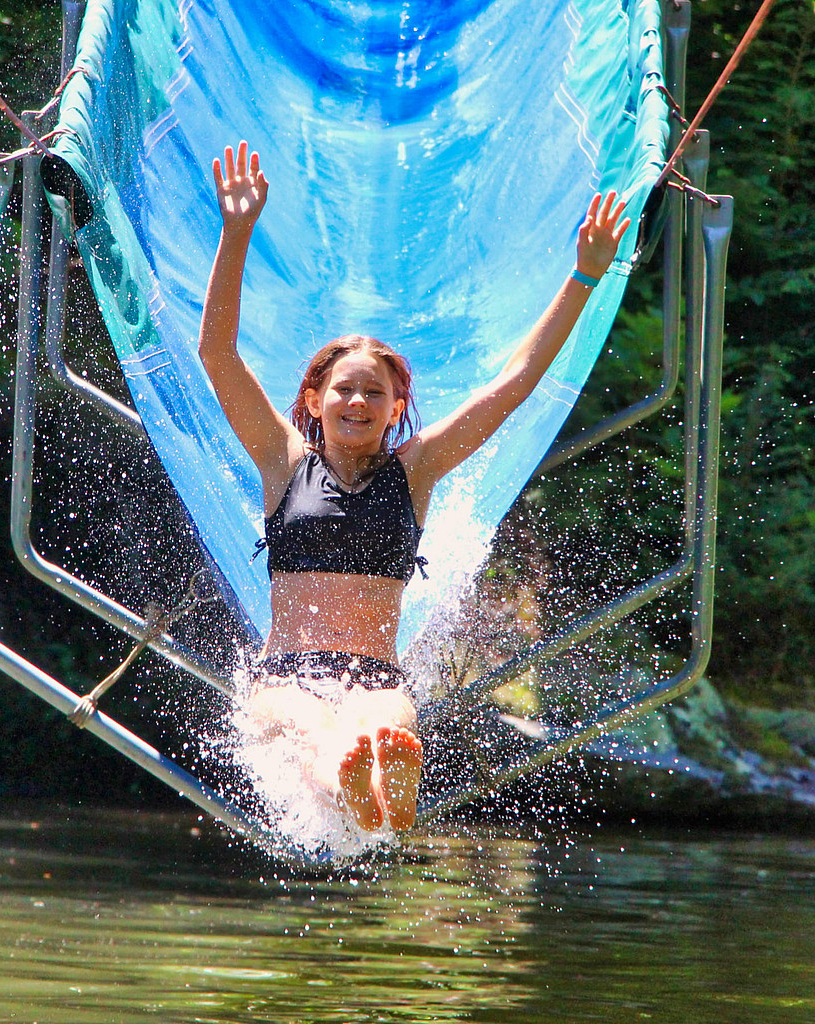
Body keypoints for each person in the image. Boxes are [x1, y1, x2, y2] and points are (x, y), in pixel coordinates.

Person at [198, 141, 629, 833]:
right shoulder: (282, 462)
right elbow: (217, 354)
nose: (358, 403)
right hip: (287, 674)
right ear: (314, 399)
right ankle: (357, 783)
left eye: (376, 392)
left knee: (387, 723)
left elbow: (513, 386)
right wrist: (237, 231)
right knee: (311, 730)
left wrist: (583, 278)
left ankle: (379, 784)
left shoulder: (416, 470)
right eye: (345, 390)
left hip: (376, 674)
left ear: (398, 407)